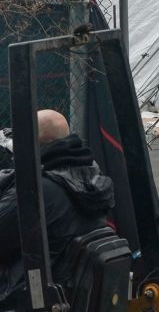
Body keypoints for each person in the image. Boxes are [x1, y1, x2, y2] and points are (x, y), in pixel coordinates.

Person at [0, 110, 115, 308]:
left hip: (24, 294)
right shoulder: (90, 175)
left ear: (30, 143)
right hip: (65, 289)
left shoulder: (37, 189)